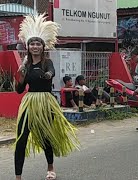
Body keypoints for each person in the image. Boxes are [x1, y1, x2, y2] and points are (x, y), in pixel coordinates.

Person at [14, 13, 79, 180]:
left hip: (45, 103)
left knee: (46, 137)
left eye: (38, 44)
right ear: (28, 47)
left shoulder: (46, 62)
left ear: (43, 47)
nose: (35, 46)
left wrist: (48, 75)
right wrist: (20, 76)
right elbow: (19, 90)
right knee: (21, 139)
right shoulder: (26, 65)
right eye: (32, 44)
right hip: (29, 103)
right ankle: (18, 176)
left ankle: (50, 167)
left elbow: (51, 72)